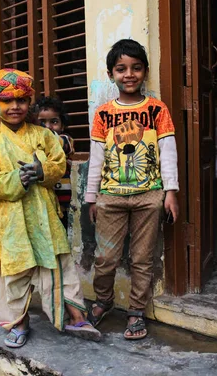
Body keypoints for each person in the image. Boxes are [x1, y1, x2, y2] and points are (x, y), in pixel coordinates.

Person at [0, 68, 101, 348]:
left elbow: (58, 164)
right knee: (15, 273)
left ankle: (76, 317)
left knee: (60, 266)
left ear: (28, 102)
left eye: (21, 100)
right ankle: (18, 322)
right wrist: (15, 178)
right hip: (13, 221)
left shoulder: (43, 136)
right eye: (7, 101)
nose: (14, 107)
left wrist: (41, 170)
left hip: (45, 215)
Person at [85, 39, 180, 340]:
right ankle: (103, 302)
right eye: (121, 68)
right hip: (110, 197)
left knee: (142, 258)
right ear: (111, 73)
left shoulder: (157, 110)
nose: (129, 74)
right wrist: (91, 198)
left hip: (150, 196)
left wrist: (171, 192)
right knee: (106, 259)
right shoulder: (103, 114)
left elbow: (168, 152)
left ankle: (136, 311)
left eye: (136, 68)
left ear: (145, 72)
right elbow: (96, 158)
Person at [36, 97, 75, 230]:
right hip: (40, 202)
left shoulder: (66, 140)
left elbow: (55, 141)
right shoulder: (33, 144)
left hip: (61, 204)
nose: (47, 127)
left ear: (62, 126)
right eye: (42, 123)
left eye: (54, 122)